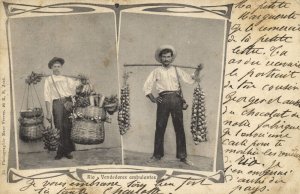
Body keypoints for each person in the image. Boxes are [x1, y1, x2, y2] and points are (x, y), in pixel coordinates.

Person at [143, 45, 201, 165]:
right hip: (163, 100)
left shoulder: (176, 69)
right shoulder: (156, 71)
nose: (166, 59)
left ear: (172, 58)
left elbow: (190, 79)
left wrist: (198, 70)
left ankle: (183, 156)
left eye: (168, 57)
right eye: (164, 57)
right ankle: (157, 155)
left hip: (176, 99)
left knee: (179, 128)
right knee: (160, 127)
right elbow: (146, 86)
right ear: (160, 58)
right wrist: (153, 98)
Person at [44, 57, 82, 160]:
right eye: (55, 66)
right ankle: (60, 152)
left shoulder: (67, 78)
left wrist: (80, 80)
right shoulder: (49, 80)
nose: (57, 68)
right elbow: (47, 97)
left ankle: (67, 151)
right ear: (51, 68)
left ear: (61, 67)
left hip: (68, 102)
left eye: (59, 66)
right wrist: (48, 112)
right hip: (57, 103)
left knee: (68, 126)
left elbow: (74, 87)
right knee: (59, 126)